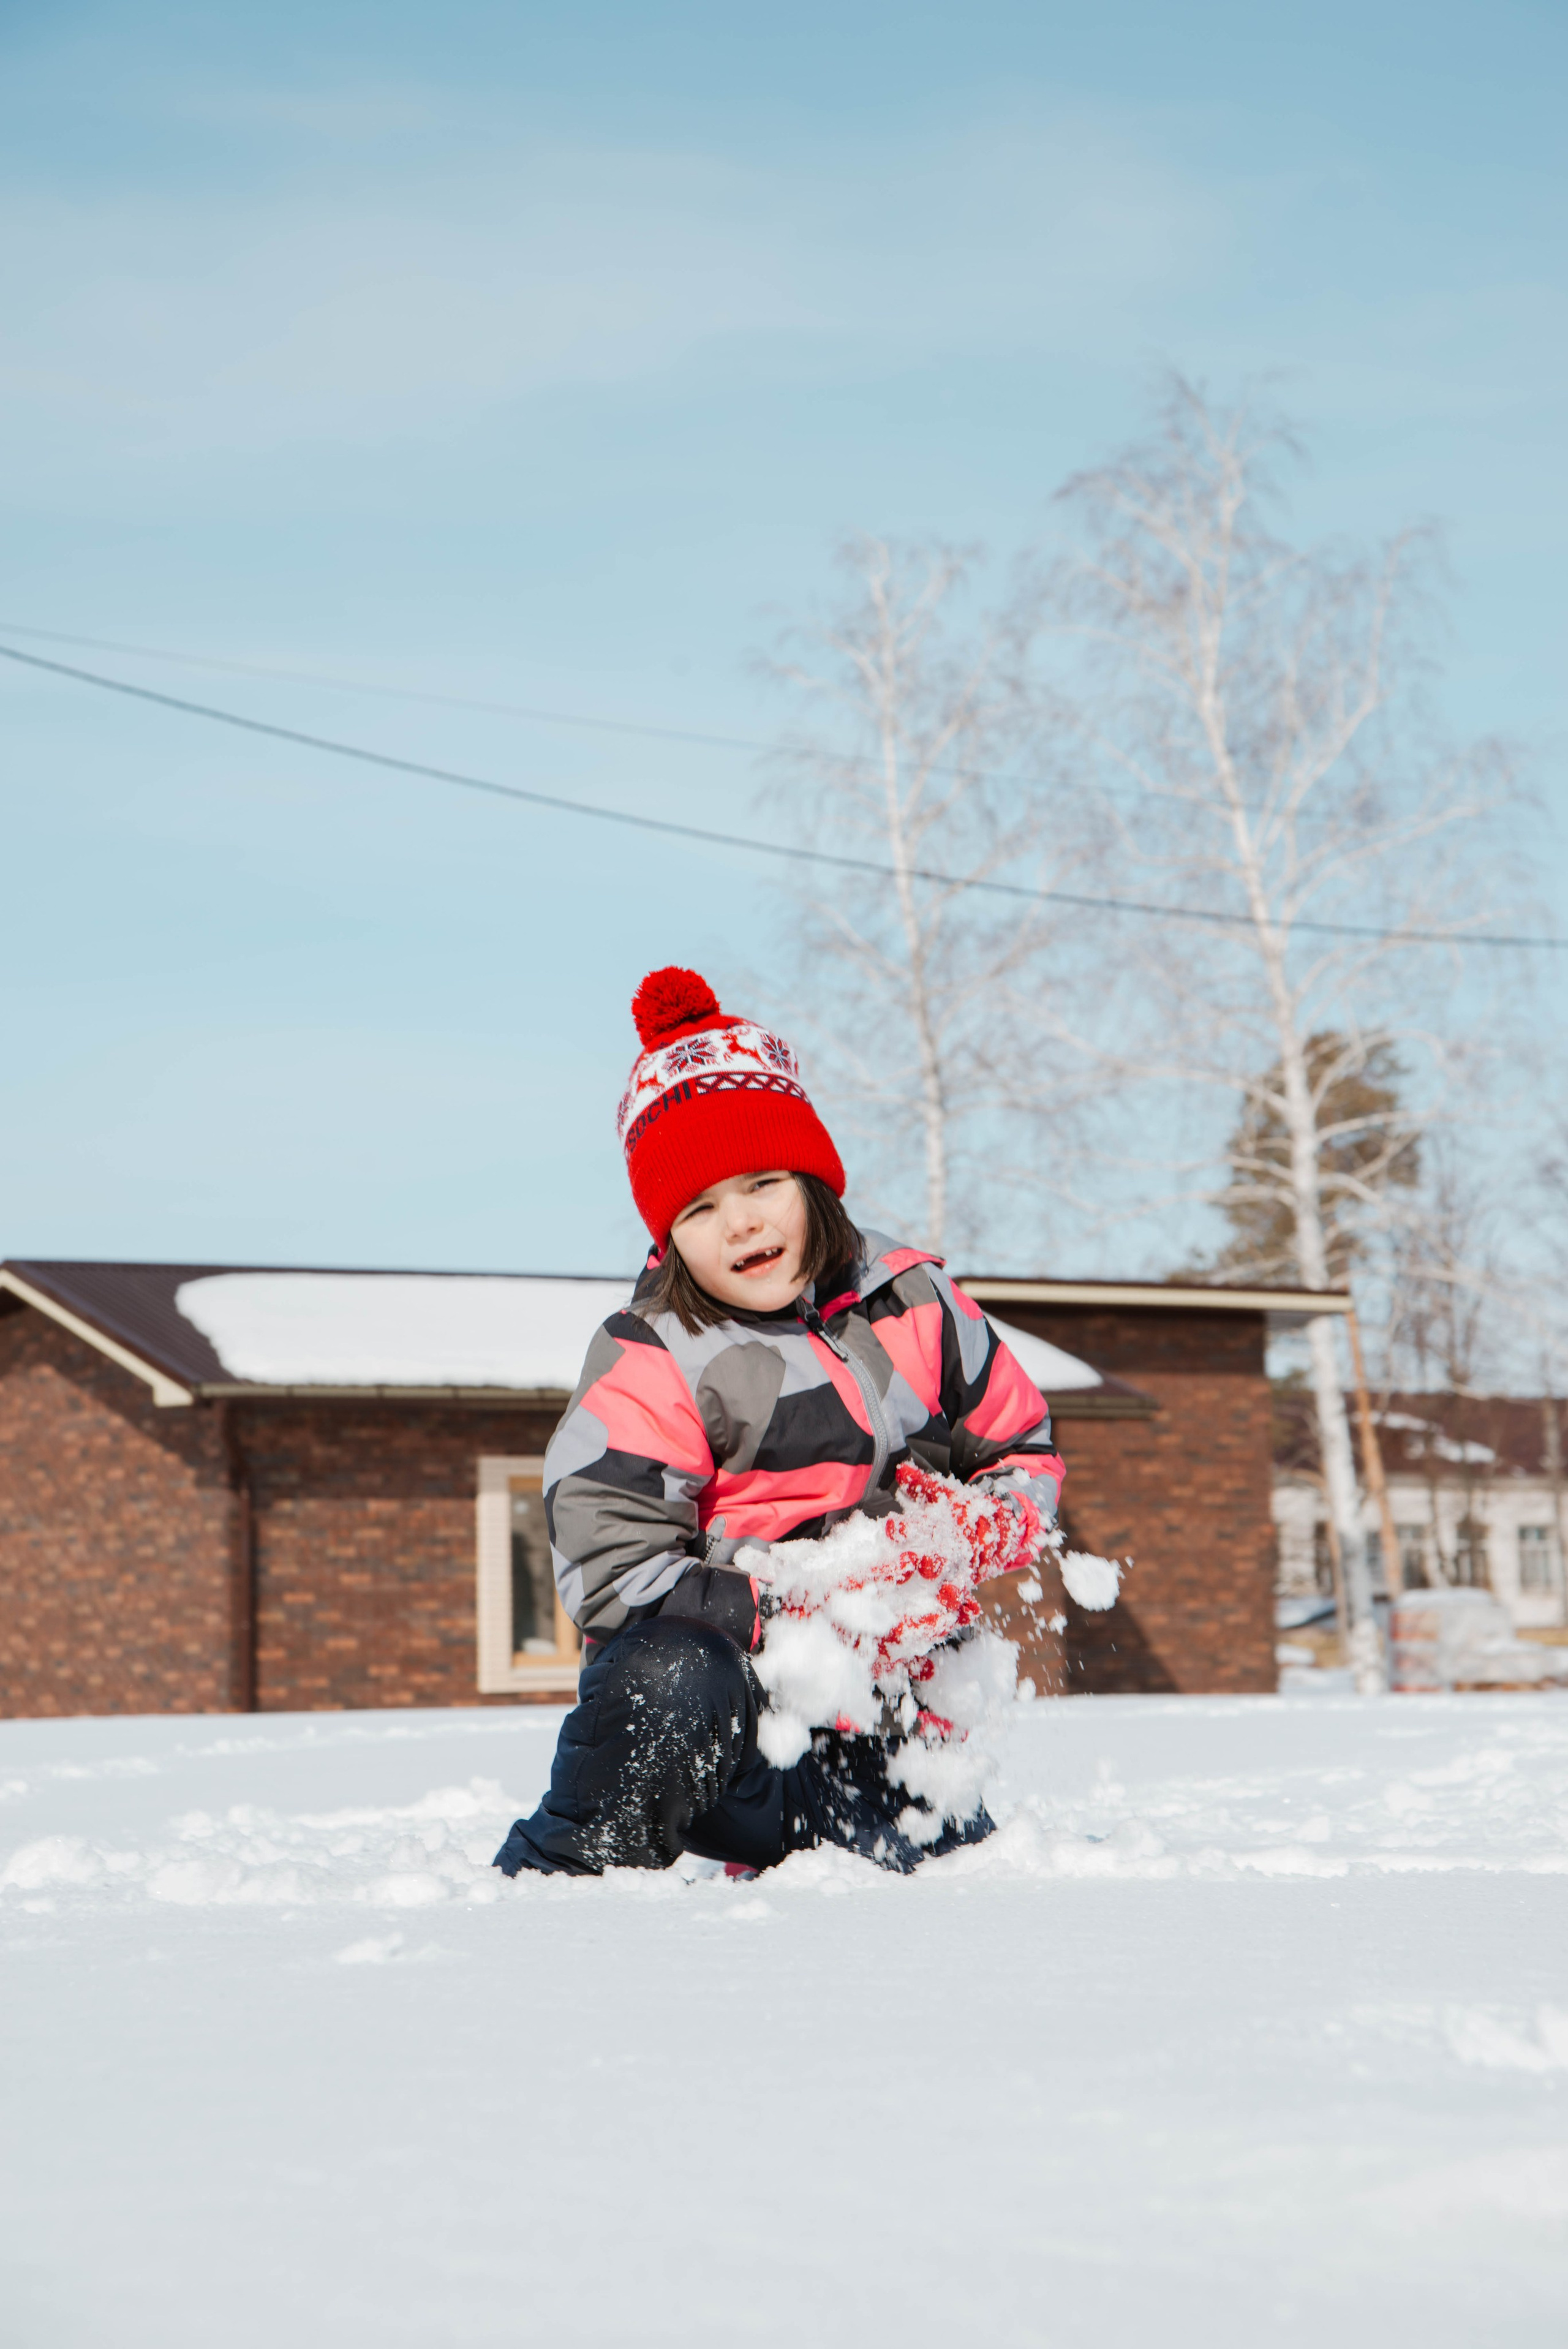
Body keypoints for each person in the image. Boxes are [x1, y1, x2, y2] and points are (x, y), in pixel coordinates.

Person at [492, 967, 1065, 1880]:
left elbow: (1019, 1444)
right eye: (700, 1207)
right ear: (667, 1233)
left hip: (883, 1719)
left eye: (761, 1183)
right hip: (727, 1726)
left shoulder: (912, 1303)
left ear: (812, 1179)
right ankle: (569, 1867)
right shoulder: (655, 1354)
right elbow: (613, 1569)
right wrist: (792, 1604)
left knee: (946, 1874)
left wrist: (980, 1527)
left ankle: (860, 1855)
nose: (741, 1223)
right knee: (674, 1675)